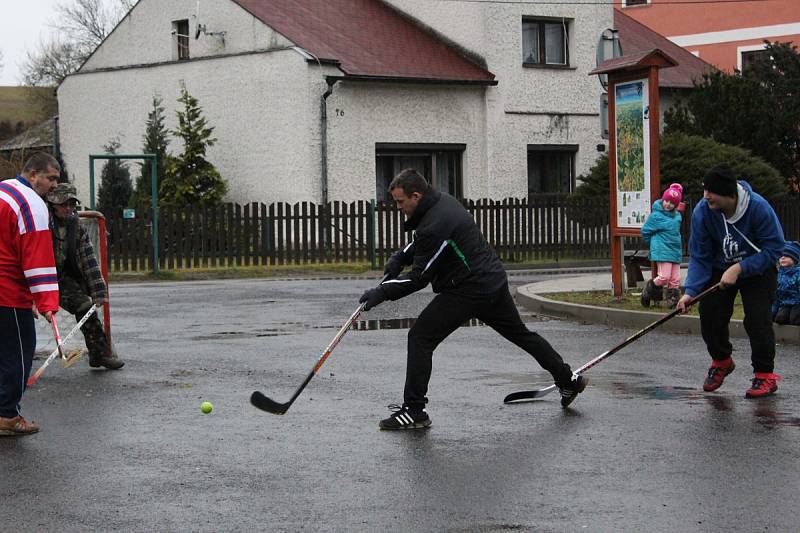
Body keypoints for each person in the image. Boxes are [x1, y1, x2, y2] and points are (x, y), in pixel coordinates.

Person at [359, 169, 587, 430]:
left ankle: (415, 410)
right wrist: (400, 257)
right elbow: (425, 243)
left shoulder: (435, 223)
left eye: (401, 202)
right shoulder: (443, 201)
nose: (399, 207)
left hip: (468, 289)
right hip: (491, 279)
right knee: (521, 334)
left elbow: (420, 277)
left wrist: (382, 292)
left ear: (416, 195)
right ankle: (567, 380)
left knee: (420, 337)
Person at [676, 164, 785, 398]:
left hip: (758, 268)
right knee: (710, 313)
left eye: (711, 191)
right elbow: (700, 256)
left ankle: (765, 375)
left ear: (729, 194)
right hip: (719, 266)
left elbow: (774, 249)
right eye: (705, 190)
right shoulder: (703, 213)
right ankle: (722, 360)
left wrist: (740, 267)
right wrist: (690, 291)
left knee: (757, 319)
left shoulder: (758, 208)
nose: (706, 196)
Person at [0, 152, 60, 436]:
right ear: (32, 174)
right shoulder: (32, 204)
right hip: (7, 293)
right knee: (19, 356)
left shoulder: (3, 190)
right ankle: (7, 416)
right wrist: (47, 301)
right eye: (50, 178)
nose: (54, 185)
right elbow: (37, 257)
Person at [46, 183, 124, 370]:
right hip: (34, 277)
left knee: (85, 306)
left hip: (60, 278)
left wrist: (98, 291)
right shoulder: (42, 220)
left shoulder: (76, 226)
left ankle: (99, 354)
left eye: (72, 204)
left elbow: (89, 259)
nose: (68, 209)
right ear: (53, 203)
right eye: (64, 204)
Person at [640, 183, 685, 309]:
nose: (668, 204)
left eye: (672, 203)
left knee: (675, 279)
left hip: (675, 249)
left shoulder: (677, 216)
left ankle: (673, 301)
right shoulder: (656, 216)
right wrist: (654, 245)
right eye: (666, 200)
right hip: (662, 249)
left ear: (676, 205)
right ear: (663, 199)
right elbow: (645, 231)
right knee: (664, 277)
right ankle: (647, 291)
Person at [772, 241, 800, 326]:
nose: (783, 258)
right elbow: (776, 296)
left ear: (794, 259)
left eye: (787, 256)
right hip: (786, 303)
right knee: (780, 319)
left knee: (795, 319)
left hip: (798, 303)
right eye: (781, 256)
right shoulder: (778, 274)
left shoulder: (798, 273)